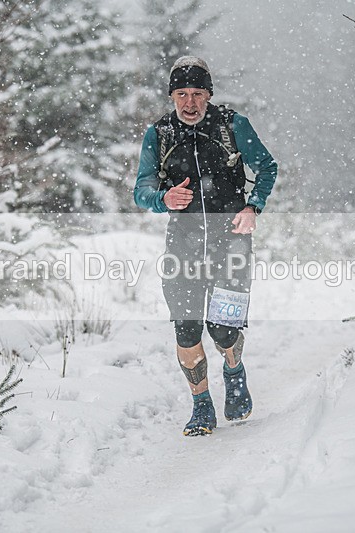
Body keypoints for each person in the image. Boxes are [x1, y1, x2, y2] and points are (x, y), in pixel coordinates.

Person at [133, 56, 278, 436]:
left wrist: (252, 206)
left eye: (198, 93)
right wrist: (161, 199)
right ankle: (201, 407)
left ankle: (234, 371)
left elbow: (267, 167)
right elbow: (142, 189)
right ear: (172, 96)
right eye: (182, 94)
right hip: (183, 242)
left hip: (231, 238)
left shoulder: (232, 125)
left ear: (209, 95)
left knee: (223, 329)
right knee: (186, 328)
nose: (190, 102)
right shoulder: (160, 134)